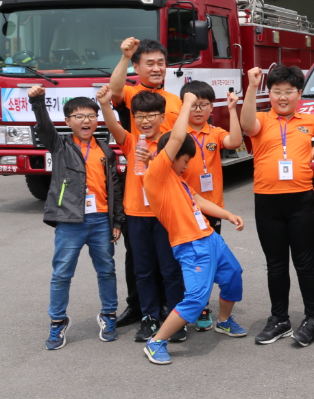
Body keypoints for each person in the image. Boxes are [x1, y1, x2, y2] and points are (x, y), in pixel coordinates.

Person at [141, 92, 247, 365]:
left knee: (233, 275)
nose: (187, 165)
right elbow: (175, 139)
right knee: (197, 298)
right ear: (172, 156)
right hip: (190, 245)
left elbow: (199, 201)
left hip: (209, 238)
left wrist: (228, 214)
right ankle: (156, 342)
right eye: (185, 160)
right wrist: (187, 104)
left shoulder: (178, 181)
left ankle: (224, 321)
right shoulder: (156, 175)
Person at [240, 65, 314, 345]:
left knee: (305, 264)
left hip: (301, 200)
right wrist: (253, 86)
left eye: (288, 91)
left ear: (299, 94)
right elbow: (245, 126)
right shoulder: (260, 119)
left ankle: (312, 318)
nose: (282, 97)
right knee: (276, 265)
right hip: (267, 202)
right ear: (270, 93)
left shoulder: (310, 121)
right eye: (276, 91)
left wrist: (313, 151)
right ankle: (280, 319)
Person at [30, 86, 123, 350]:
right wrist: (38, 102)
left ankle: (109, 315)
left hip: (101, 221)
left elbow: (115, 187)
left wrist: (117, 222)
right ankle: (58, 322)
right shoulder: (60, 145)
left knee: (106, 271)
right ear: (68, 122)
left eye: (91, 116)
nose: (86, 121)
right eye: (79, 116)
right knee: (61, 274)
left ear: (97, 120)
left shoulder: (106, 151)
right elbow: (45, 128)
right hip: (70, 222)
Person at [97, 87, 185, 344]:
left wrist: (151, 162)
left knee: (170, 269)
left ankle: (175, 317)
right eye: (139, 116)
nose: (145, 121)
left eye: (151, 115)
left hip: (164, 215)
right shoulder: (132, 142)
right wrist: (105, 104)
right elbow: (113, 125)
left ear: (161, 116)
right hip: (135, 215)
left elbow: (175, 176)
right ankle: (149, 317)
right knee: (143, 270)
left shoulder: (171, 143)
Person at [108, 37, 181, 328]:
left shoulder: (175, 101)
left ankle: (167, 307)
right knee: (136, 258)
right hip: (137, 186)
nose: (156, 68)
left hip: (167, 188)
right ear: (137, 66)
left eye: (160, 63)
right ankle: (138, 307)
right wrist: (124, 56)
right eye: (149, 63)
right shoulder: (131, 93)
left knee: (169, 255)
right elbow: (114, 90)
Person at [178, 80, 243, 332]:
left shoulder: (215, 133)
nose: (198, 110)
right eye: (192, 105)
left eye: (203, 105)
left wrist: (233, 110)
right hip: (185, 209)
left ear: (211, 108)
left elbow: (236, 141)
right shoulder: (178, 135)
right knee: (188, 262)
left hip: (212, 207)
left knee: (209, 260)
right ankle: (193, 305)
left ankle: (204, 306)